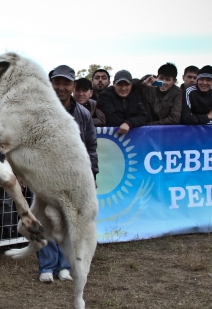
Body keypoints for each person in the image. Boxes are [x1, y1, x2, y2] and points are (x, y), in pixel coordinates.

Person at [37, 65, 98, 283]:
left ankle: (64, 266)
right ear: (50, 84)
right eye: (57, 82)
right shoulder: (39, 110)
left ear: (73, 86)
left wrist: (92, 175)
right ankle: (46, 266)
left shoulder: (83, 114)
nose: (61, 87)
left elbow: (91, 146)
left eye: (66, 83)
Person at [97, 70, 148, 134]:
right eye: (120, 84)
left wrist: (129, 123)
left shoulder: (136, 95)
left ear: (131, 84)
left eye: (127, 84)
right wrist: (127, 124)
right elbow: (110, 118)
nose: (123, 88)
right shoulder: (105, 96)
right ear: (114, 83)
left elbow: (144, 116)